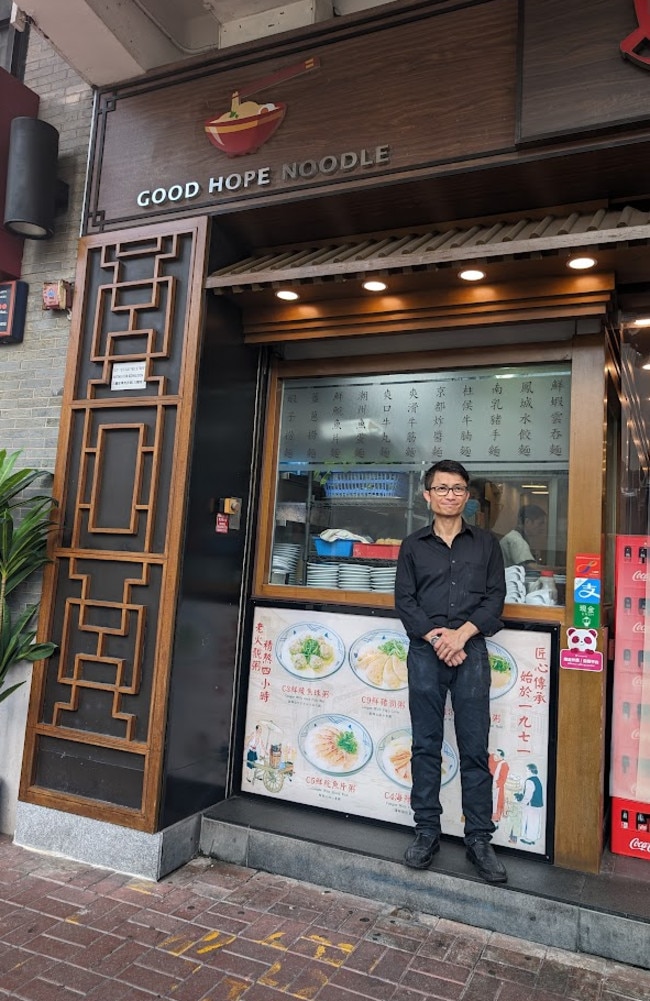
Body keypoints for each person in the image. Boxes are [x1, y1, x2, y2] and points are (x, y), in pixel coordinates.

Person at [395, 458, 508, 884]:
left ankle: (479, 838)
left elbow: (494, 601)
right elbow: (405, 602)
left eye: (457, 488)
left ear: (467, 496)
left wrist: (460, 636)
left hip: (471, 652)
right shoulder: (412, 545)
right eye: (441, 488)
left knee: (474, 747)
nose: (450, 495)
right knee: (426, 745)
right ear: (427, 495)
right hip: (426, 652)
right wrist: (438, 639)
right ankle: (426, 831)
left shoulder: (486, 544)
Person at [515, 763, 544, 844]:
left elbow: (528, 796)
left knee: (530, 822)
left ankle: (529, 839)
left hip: (532, 805)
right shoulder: (537, 779)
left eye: (527, 770)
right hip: (538, 804)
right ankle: (534, 838)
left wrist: (521, 804)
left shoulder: (529, 781)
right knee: (536, 822)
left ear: (531, 771)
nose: (526, 772)